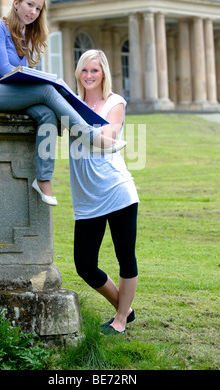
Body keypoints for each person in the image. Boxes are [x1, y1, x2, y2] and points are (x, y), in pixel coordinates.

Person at [0, 0, 125, 206]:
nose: (33, 12)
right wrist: (44, 82)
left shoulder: (22, 37)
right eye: (29, 5)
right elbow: (6, 71)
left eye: (38, 9)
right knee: (47, 90)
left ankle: (43, 180)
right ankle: (90, 136)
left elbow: (20, 77)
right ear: (16, 4)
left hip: (10, 95)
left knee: (47, 114)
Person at [69, 49, 139, 335]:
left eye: (94, 70)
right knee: (84, 264)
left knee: (125, 256)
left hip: (116, 191)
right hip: (86, 197)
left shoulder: (114, 102)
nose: (88, 76)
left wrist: (72, 121)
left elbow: (108, 139)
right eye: (84, 70)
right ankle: (126, 309)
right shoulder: (71, 103)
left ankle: (120, 321)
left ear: (104, 73)